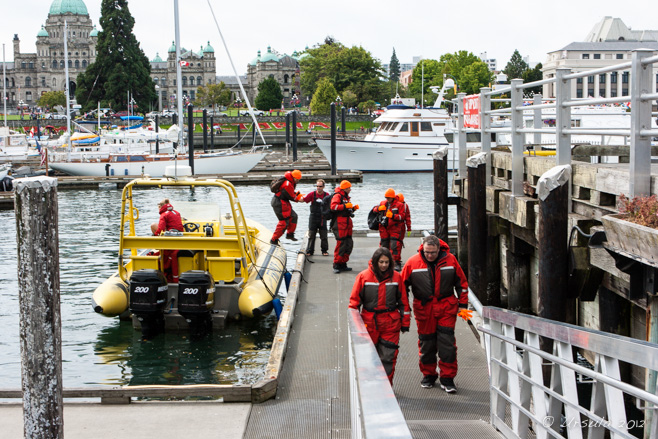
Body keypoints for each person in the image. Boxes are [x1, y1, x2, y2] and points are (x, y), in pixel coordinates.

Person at [400, 234, 471, 394]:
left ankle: (447, 378)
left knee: (447, 344)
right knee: (427, 343)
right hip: (424, 308)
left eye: (433, 252)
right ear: (422, 249)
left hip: (446, 306)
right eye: (427, 252)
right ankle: (428, 375)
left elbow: (462, 284)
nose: (430, 255)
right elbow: (402, 287)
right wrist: (405, 309)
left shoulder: (451, 260)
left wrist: (463, 306)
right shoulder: (412, 263)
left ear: (439, 249)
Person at [349, 247, 411, 384]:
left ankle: (386, 388)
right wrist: (355, 327)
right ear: (375, 262)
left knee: (388, 357)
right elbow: (353, 304)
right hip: (369, 323)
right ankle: (369, 386)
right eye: (381, 262)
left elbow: (403, 303)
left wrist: (405, 323)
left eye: (387, 262)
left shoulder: (396, 277)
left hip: (390, 324)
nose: (384, 265)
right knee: (368, 358)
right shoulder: (363, 277)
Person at [150, 199, 185, 283]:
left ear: (160, 207)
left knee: (153, 225)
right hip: (180, 239)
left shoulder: (164, 215)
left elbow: (160, 228)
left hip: (171, 240)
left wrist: (155, 237)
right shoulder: (176, 213)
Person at [373, 188, 406, 272]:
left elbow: (402, 217)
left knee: (395, 246)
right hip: (384, 229)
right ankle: (382, 262)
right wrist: (379, 209)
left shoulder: (400, 205)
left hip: (395, 228)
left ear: (393, 197)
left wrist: (392, 216)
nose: (387, 199)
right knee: (384, 246)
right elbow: (374, 210)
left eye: (388, 198)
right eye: (386, 197)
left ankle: (396, 263)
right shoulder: (382, 203)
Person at [331, 179, 358, 273]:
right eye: (349, 188)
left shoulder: (345, 197)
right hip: (339, 223)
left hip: (346, 223)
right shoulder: (337, 196)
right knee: (341, 244)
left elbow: (346, 210)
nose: (350, 189)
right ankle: (336, 264)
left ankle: (343, 263)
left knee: (349, 244)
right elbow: (333, 207)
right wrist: (345, 206)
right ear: (345, 188)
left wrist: (353, 209)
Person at [271, 169, 303, 245]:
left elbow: (291, 194)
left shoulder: (289, 181)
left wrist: (298, 195)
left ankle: (290, 234)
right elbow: (292, 197)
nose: (297, 181)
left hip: (284, 202)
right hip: (279, 203)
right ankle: (274, 239)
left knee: (294, 216)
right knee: (284, 222)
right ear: (294, 177)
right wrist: (300, 199)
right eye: (297, 179)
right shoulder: (287, 184)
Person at [302, 178, 330, 256]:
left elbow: (330, 205)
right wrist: (294, 198)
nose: (318, 188)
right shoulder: (312, 194)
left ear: (323, 187)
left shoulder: (327, 195)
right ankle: (310, 251)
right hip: (313, 217)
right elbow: (304, 200)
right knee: (311, 235)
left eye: (320, 186)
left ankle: (324, 250)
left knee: (323, 235)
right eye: (317, 186)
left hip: (322, 217)